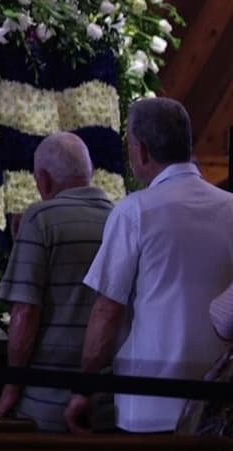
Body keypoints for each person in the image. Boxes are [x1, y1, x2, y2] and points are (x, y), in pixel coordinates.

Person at [65, 97, 233, 433]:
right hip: (219, 402)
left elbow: (107, 311)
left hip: (149, 402)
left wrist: (84, 387)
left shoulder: (135, 212)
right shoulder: (230, 207)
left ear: (141, 151)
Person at [0, 132, 113, 431]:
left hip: (47, 398)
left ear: (44, 180)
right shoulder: (119, 218)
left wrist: (11, 386)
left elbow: (26, 312)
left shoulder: (41, 218)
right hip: (108, 397)